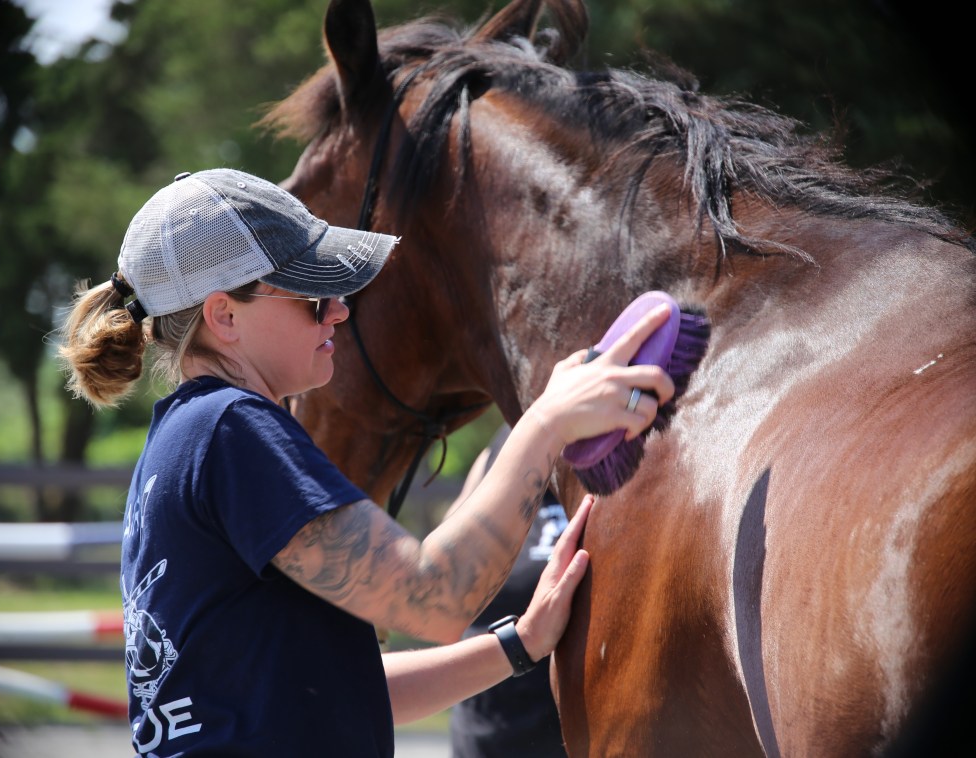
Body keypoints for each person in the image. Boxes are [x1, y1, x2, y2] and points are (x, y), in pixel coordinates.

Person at [58, 168, 673, 756]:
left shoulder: (183, 440)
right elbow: (434, 595)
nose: (339, 309)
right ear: (224, 316)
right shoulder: (231, 429)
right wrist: (546, 422)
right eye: (311, 295)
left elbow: (333, 690)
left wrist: (518, 645)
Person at [447, 423, 569, 757]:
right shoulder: (502, 445)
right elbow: (446, 578)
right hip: (484, 729)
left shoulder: (616, 448)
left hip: (567, 735)